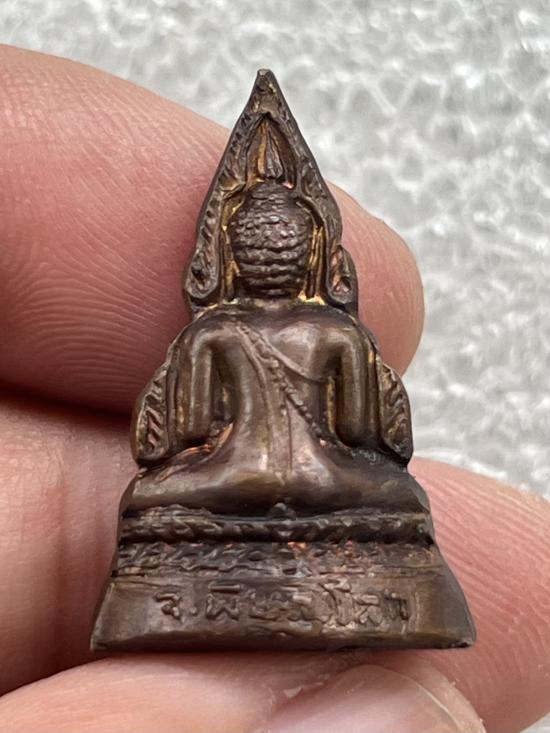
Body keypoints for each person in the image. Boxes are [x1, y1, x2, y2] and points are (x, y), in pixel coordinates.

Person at [0, 45, 548, 733]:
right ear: (307, 254)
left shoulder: (213, 334)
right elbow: (365, 437)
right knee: (402, 496)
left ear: (232, 255)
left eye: (270, 243)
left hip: (227, 483)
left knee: (151, 499)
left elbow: (184, 437)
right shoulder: (333, 334)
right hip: (332, 484)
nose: (266, 252)